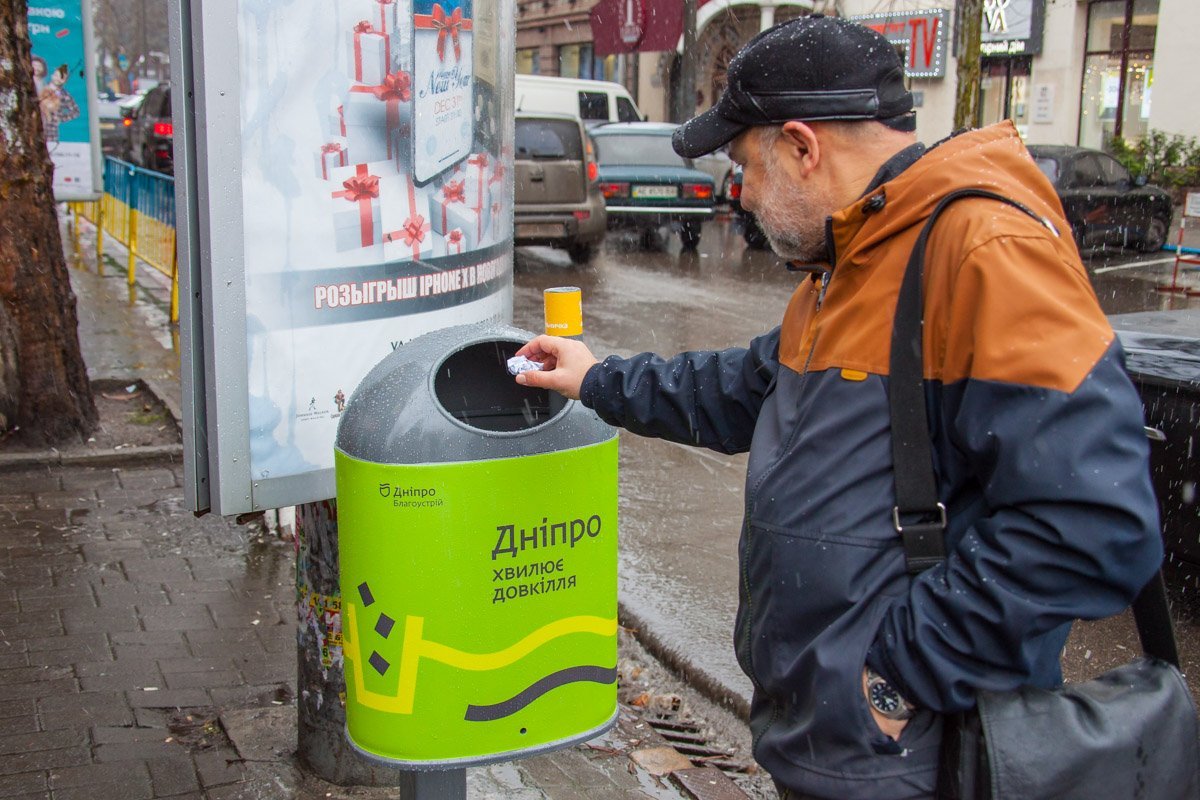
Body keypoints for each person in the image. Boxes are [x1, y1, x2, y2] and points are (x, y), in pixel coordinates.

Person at [513, 14, 1162, 800]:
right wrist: (596, 378)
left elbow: (1093, 524)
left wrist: (896, 679)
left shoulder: (983, 250)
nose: (740, 194)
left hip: (917, 758)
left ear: (801, 146)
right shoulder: (853, 260)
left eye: (745, 165)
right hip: (835, 745)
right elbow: (744, 390)